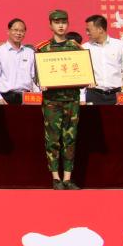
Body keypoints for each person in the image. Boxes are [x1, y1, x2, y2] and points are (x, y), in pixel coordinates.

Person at [35, 10, 82, 190]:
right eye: (57, 22)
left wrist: (87, 79)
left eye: (63, 22)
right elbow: (36, 75)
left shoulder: (75, 48)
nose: (61, 25)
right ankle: (55, 177)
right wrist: (41, 82)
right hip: (52, 101)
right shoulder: (43, 48)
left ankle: (67, 178)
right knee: (53, 139)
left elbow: (83, 71)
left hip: (71, 99)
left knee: (70, 138)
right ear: (50, 25)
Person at [82, 14, 123, 105]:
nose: (87, 33)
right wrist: (82, 98)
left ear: (100, 29)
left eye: (89, 30)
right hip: (93, 95)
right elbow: (82, 74)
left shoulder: (120, 45)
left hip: (116, 95)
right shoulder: (85, 48)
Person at [0, 19, 36, 105]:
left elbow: (34, 77)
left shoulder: (30, 52)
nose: (18, 33)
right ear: (8, 31)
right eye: (15, 30)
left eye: (21, 31)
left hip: (27, 97)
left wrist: (37, 95)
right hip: (5, 97)